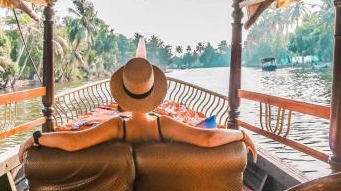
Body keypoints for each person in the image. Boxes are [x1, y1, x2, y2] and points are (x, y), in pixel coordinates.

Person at [18, 51, 256, 162]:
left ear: (122, 95)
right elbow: (208, 139)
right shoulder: (164, 125)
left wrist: (37, 138)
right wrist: (241, 134)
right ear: (155, 93)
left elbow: (73, 142)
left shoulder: (115, 126)